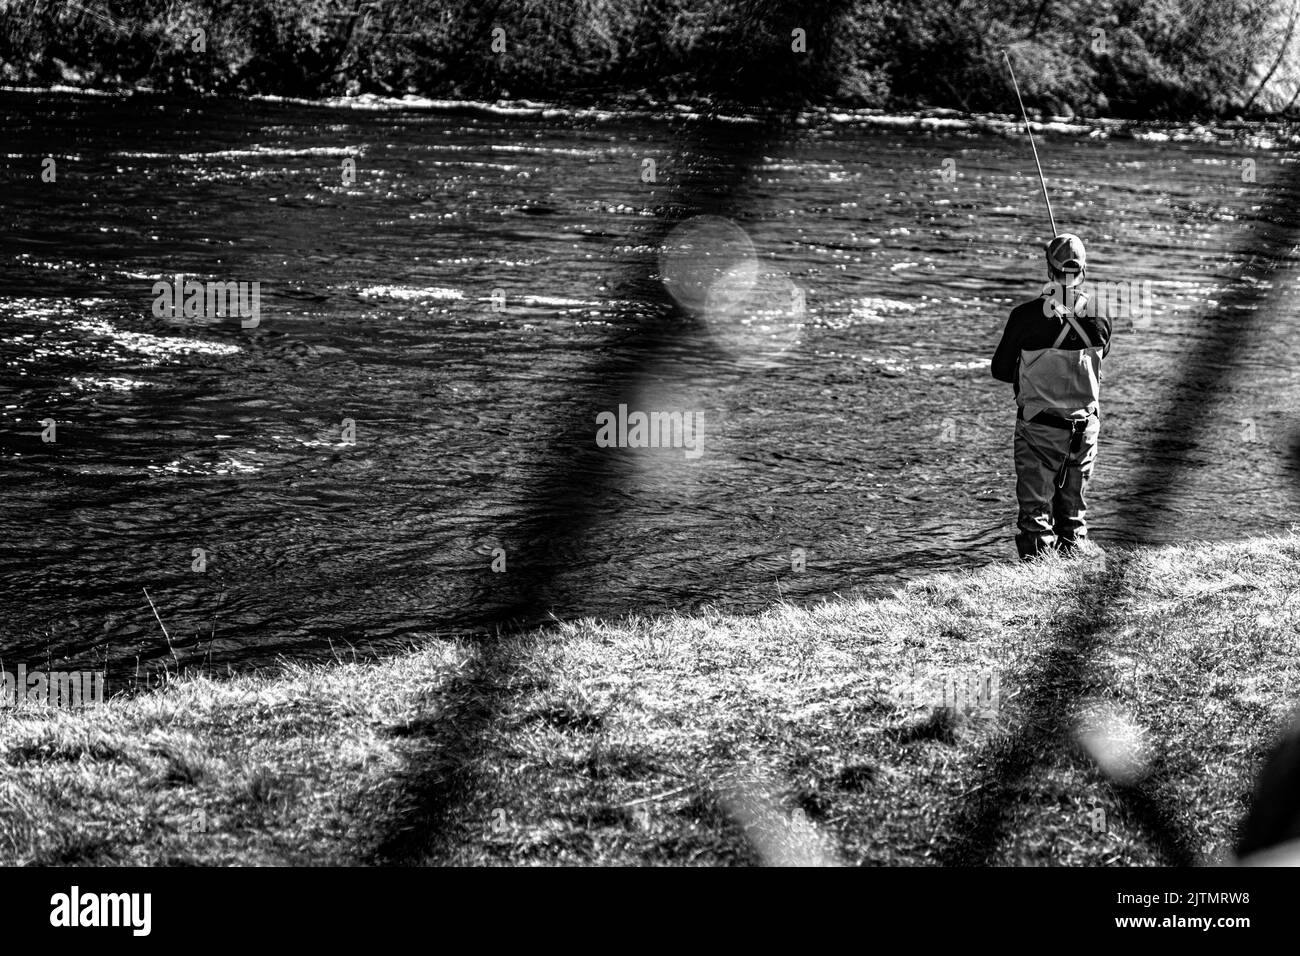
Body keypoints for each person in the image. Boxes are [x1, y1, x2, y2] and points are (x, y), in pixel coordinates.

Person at [992, 233, 1112, 560]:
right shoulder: (1102, 315)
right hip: (1084, 429)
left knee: (1035, 519)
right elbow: (1100, 360)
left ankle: (1039, 580)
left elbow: (1001, 371)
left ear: (1049, 269)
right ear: (1083, 271)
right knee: (1072, 518)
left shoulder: (1025, 317)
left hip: (1039, 429)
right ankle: (1073, 571)